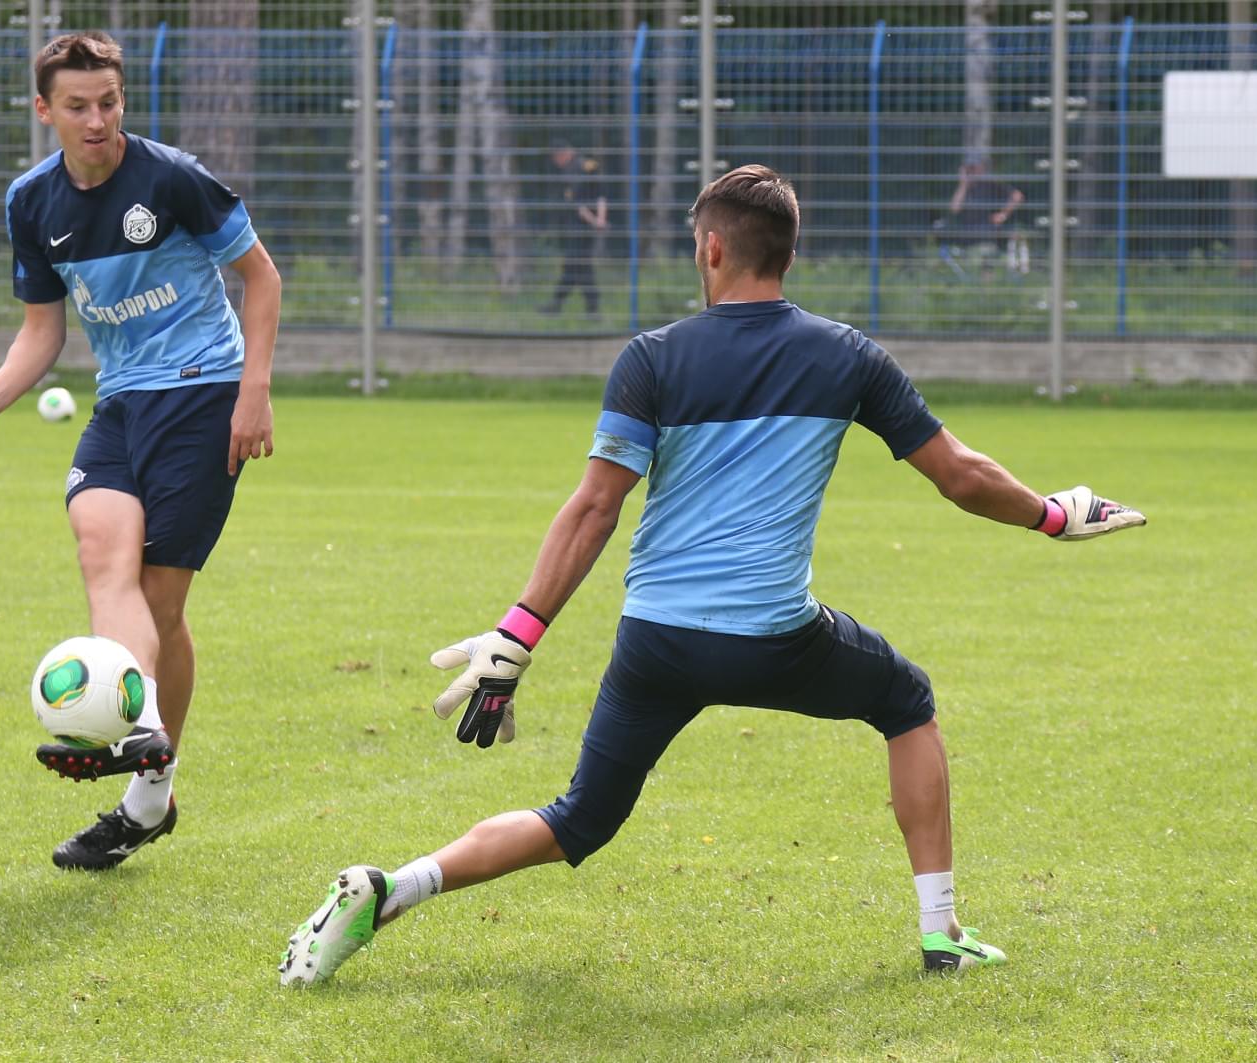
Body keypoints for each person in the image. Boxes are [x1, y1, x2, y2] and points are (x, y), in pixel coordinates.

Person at [279, 165, 1144, 987]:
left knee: (580, 817)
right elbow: (960, 473)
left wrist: (519, 634)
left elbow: (593, 509)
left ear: (713, 249)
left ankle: (393, 888)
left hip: (655, 641)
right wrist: (1053, 513)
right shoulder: (847, 356)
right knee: (906, 701)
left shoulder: (651, 358)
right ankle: (940, 931)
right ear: (790, 255)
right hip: (775, 639)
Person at [0, 31, 282, 871]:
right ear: (44, 110)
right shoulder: (31, 203)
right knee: (102, 559)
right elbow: (42, 328)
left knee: (160, 600)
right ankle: (143, 731)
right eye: (78, 106)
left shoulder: (172, 179)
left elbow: (261, 278)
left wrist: (254, 390)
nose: (97, 120)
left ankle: (145, 792)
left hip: (202, 394)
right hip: (119, 405)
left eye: (110, 102)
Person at [539, 141, 608, 317]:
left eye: (557, 158)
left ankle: (584, 308)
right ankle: (563, 305)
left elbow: (579, 205)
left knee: (578, 267)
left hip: (578, 228)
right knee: (576, 267)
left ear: (564, 154)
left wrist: (595, 221)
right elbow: (601, 196)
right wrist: (600, 219)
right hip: (586, 227)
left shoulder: (572, 171)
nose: (557, 162)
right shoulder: (589, 166)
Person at [946, 158, 1029, 275]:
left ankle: (987, 278)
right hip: (966, 233)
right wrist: (963, 184)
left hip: (988, 230)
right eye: (970, 169)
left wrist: (1003, 214)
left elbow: (1017, 196)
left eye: (975, 168)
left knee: (991, 246)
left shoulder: (991, 184)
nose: (973, 172)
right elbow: (954, 209)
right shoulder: (964, 188)